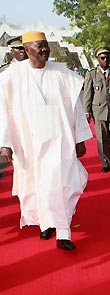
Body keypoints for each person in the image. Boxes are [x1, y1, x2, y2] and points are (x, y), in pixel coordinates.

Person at [0, 31, 92, 250]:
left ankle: (63, 232)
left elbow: (75, 107)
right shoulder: (12, 76)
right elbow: (5, 111)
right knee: (37, 185)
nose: (44, 50)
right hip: (29, 144)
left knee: (63, 183)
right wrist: (5, 143)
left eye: (45, 46)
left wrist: (80, 138)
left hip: (60, 141)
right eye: (38, 46)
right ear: (26, 49)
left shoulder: (62, 73)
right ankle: (45, 224)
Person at [83, 46, 110, 172]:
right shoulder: (91, 74)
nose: (105, 60)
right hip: (98, 111)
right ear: (97, 59)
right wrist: (86, 111)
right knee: (102, 138)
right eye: (102, 58)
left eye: (107, 57)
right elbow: (87, 93)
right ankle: (105, 162)